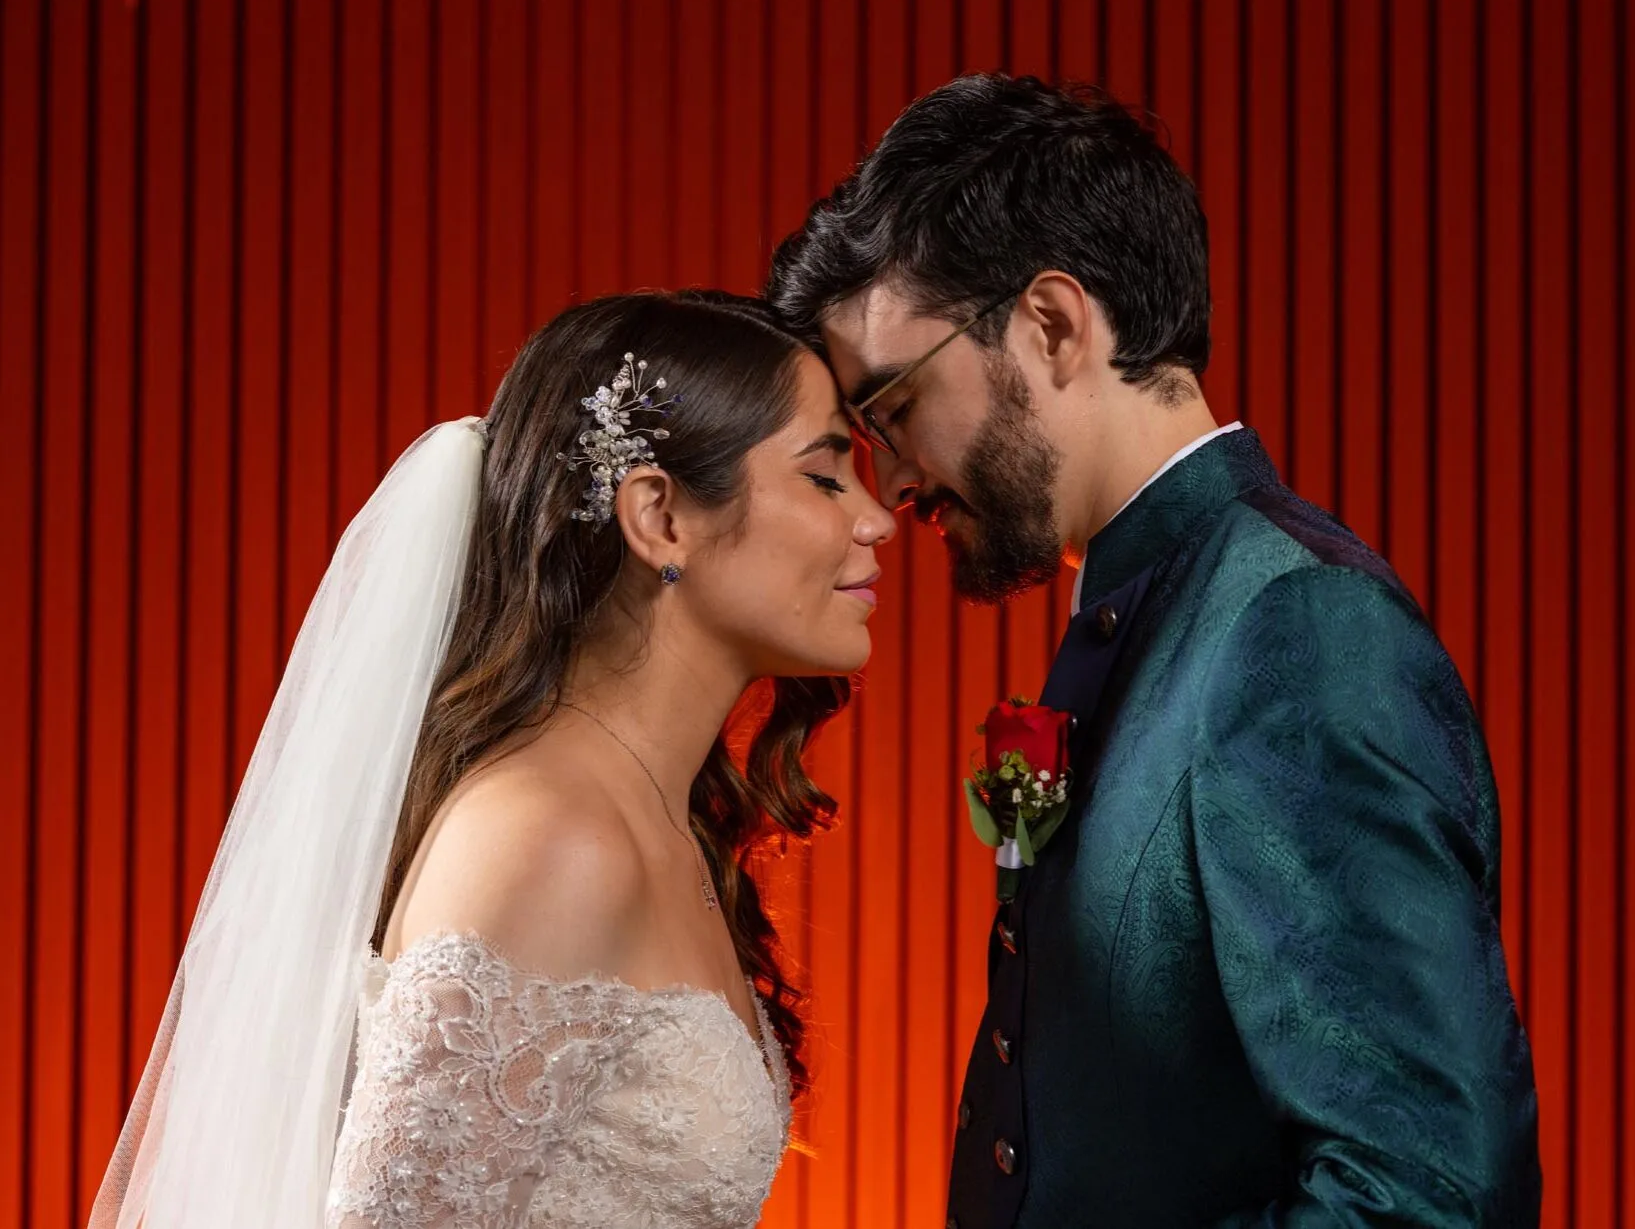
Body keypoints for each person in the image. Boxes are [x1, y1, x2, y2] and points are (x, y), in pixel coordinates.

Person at [768, 73, 1541, 1228]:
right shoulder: (1150, 608)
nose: (895, 486)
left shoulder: (1297, 630)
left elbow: (1425, 1195)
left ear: (1051, 324)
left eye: (888, 411)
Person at [88, 291, 895, 1229]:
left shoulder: (650, 821)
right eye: (827, 477)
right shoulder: (552, 835)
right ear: (659, 517)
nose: (876, 521)